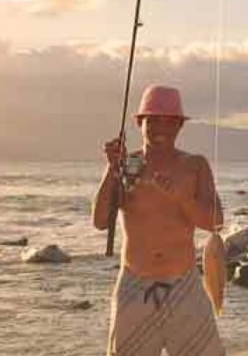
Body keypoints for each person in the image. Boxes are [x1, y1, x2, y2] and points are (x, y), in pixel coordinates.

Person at [92, 85, 226, 356]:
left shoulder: (195, 166)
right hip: (134, 283)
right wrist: (111, 168)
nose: (161, 127)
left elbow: (215, 222)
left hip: (184, 283)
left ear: (180, 125)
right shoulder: (126, 166)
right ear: (140, 123)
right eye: (153, 120)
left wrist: (181, 197)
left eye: (169, 121)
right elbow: (100, 220)